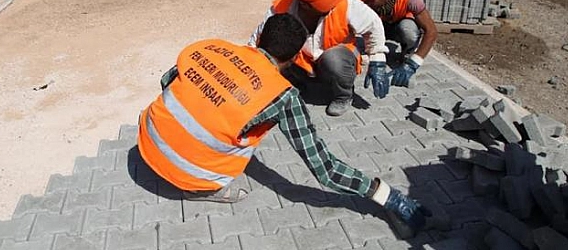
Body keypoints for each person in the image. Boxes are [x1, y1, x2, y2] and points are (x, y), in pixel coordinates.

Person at [137, 13, 430, 233]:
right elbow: (325, 170)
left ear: (261, 36)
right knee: (244, 132)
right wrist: (388, 197)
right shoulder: (283, 95)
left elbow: (167, 82)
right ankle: (202, 188)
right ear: (292, 58)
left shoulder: (213, 48)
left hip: (147, 140)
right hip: (187, 174)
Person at [249, 0, 391, 117]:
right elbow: (259, 39)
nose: (330, 4)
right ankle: (296, 84)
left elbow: (373, 25)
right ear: (304, 4)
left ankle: (343, 95)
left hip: (336, 59)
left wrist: (378, 61)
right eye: (323, 2)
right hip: (302, 64)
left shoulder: (347, 2)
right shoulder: (282, 8)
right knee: (276, 50)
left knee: (333, 60)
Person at [356, 0, 438, 88]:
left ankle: (407, 54)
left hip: (399, 27)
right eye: (366, 0)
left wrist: (414, 62)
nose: (367, 3)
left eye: (371, 1)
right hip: (380, 27)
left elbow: (431, 31)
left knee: (408, 31)